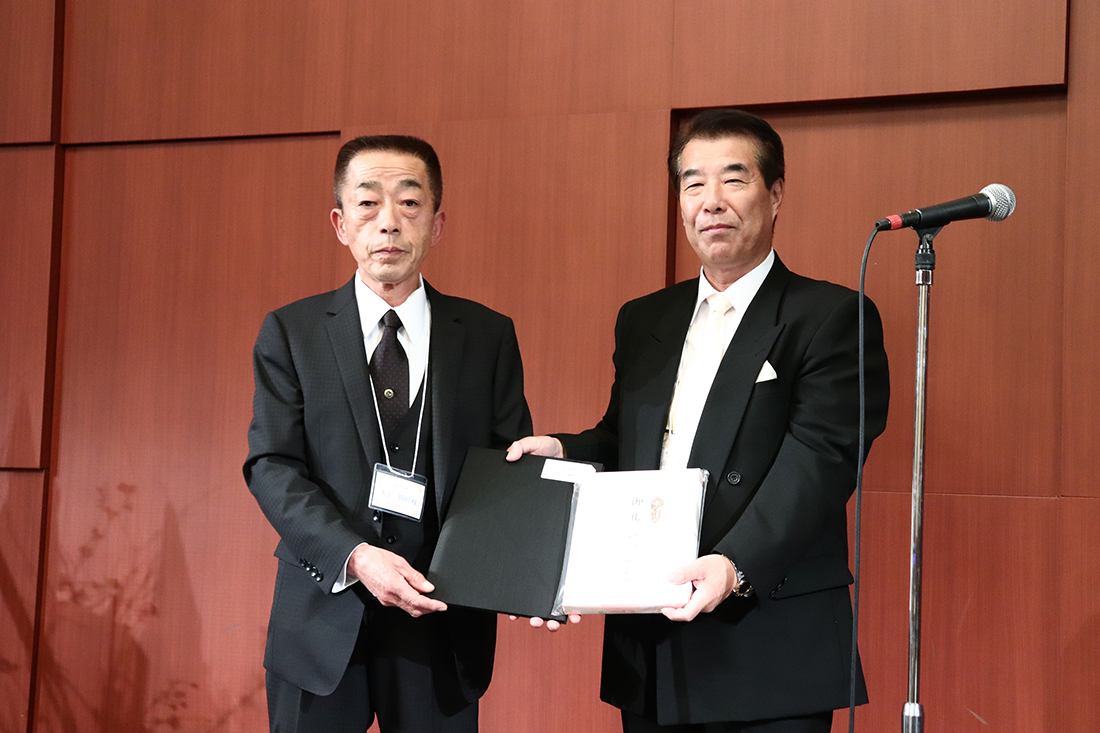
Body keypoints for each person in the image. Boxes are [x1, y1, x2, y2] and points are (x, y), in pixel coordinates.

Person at [507, 109, 890, 732]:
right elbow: (626, 442)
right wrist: (563, 451)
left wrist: (734, 565)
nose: (711, 201)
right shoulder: (644, 319)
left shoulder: (831, 315)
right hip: (653, 638)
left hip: (767, 639)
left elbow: (821, 461)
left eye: (733, 179)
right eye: (692, 183)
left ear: (775, 194)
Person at [245, 135, 532, 733]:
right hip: (322, 613)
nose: (389, 223)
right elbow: (272, 466)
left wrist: (534, 577)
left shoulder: (487, 335)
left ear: (437, 224)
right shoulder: (292, 332)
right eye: (368, 203)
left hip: (441, 616)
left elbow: (510, 472)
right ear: (340, 223)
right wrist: (355, 556)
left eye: (409, 203)